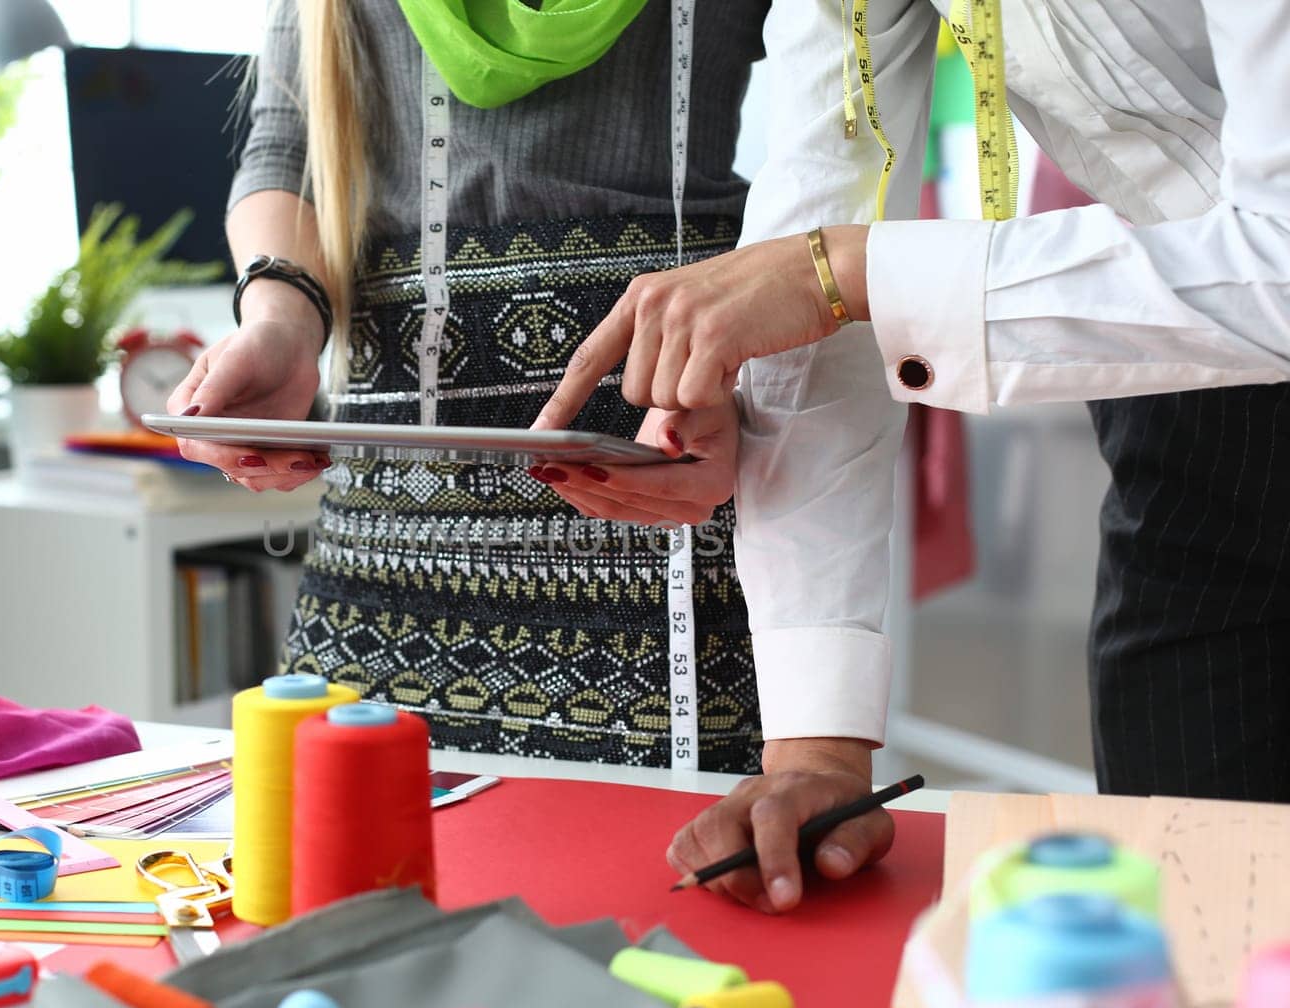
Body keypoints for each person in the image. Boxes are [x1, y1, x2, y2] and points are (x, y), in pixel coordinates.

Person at [534, 0, 1290, 909]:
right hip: (1188, 394)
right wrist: (818, 748)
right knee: (1195, 919)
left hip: (1233, 303)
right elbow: (823, 217)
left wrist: (855, 274)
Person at [169, 0, 807, 777]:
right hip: (393, 532)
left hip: (674, 448)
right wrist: (279, 317)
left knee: (665, 869)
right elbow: (287, 145)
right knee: (364, 858)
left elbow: (831, 147)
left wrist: (746, 348)